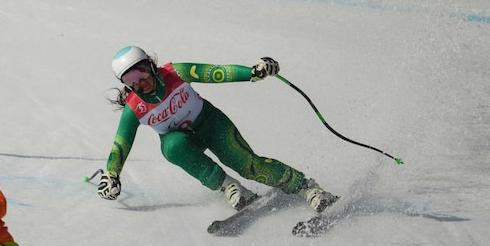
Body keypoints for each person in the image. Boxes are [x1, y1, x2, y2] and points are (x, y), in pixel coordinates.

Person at [97, 45, 336, 213]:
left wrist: (252, 73)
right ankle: (229, 187)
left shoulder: (175, 72)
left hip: (210, 123)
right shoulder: (134, 108)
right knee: (171, 146)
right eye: (130, 80)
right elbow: (121, 145)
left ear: (151, 66)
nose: (139, 82)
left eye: (141, 72)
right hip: (183, 142)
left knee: (250, 166)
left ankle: (307, 187)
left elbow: (214, 73)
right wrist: (111, 175)